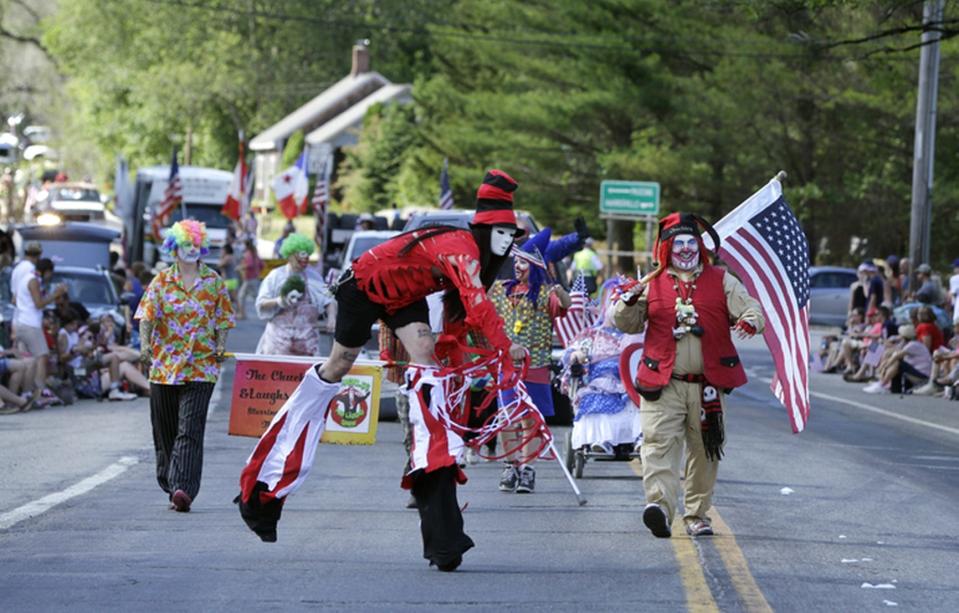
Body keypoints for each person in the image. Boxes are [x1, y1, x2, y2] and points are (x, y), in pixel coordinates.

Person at [236, 169, 528, 572]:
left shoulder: (473, 255)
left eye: (512, 235)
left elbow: (461, 318)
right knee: (339, 364)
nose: (508, 241)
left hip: (404, 298)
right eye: (502, 232)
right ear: (483, 228)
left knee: (427, 358)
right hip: (363, 285)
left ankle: (432, 465)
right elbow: (478, 305)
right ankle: (265, 484)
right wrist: (506, 344)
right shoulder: (462, 249)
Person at [610, 212, 764, 539]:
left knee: (704, 449)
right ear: (667, 248)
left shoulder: (721, 280)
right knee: (657, 446)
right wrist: (627, 301)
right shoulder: (653, 282)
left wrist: (751, 320)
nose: (684, 249)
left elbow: (751, 308)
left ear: (700, 246)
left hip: (707, 385)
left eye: (690, 242)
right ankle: (660, 508)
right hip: (662, 383)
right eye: (677, 243)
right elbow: (625, 322)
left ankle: (696, 514)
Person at [136, 220, 235, 513]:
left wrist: (220, 344)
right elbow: (147, 316)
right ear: (174, 249)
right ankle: (170, 482)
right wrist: (144, 346)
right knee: (165, 430)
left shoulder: (213, 281)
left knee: (189, 429)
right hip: (165, 367)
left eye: (195, 245)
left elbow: (223, 318)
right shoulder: (161, 281)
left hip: (201, 367)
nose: (192, 250)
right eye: (185, 245)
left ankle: (184, 489)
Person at [489, 227, 571, 494]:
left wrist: (557, 286)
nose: (517, 266)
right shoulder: (501, 290)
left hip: (536, 367)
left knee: (530, 420)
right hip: (507, 366)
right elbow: (485, 314)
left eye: (523, 262)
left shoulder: (547, 293)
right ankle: (510, 466)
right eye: (515, 261)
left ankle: (527, 469)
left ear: (534, 265)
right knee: (508, 418)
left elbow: (567, 306)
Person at [562, 278, 644, 455]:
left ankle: (641, 437)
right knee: (594, 399)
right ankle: (601, 439)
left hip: (632, 381)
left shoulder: (639, 333)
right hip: (602, 380)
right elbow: (574, 351)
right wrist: (577, 355)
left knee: (640, 402)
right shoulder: (593, 334)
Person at [255, 233, 335, 356]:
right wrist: (279, 301)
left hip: (307, 344)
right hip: (277, 344)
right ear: (290, 255)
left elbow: (328, 301)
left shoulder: (314, 277)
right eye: (301, 255)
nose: (305, 259)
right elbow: (261, 303)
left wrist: (331, 318)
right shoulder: (275, 276)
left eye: (307, 255)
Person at [13, 253, 67, 397]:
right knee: (42, 356)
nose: (50, 277)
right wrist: (56, 294)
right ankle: (39, 391)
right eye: (50, 274)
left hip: (25, 322)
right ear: (47, 271)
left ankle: (29, 391)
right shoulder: (33, 280)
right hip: (29, 324)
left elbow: (23, 301)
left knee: (33, 359)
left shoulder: (30, 278)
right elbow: (39, 304)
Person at [863, 325, 931, 394]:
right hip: (916, 371)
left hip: (922, 376)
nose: (899, 335)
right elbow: (892, 349)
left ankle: (881, 383)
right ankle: (884, 383)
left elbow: (896, 356)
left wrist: (883, 367)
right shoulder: (908, 343)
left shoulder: (913, 345)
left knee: (896, 362)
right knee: (885, 352)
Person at [237, 239, 263, 320]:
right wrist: (257, 271)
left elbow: (249, 264)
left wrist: (240, 267)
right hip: (254, 277)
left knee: (241, 296)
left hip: (249, 278)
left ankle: (242, 314)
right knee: (256, 296)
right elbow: (262, 265)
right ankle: (242, 313)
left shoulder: (248, 254)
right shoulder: (255, 254)